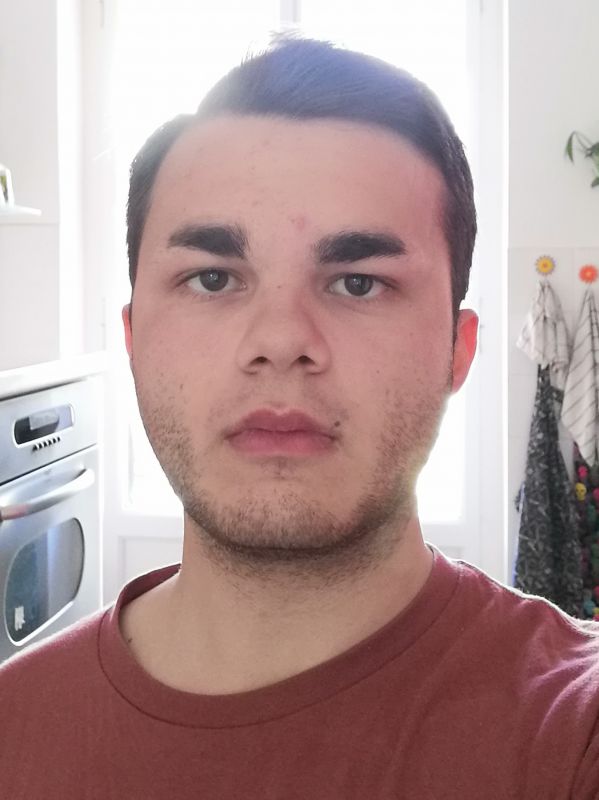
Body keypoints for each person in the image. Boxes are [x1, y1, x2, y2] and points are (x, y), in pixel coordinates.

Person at [1, 34, 598, 799]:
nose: (281, 341)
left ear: (457, 350)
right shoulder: (14, 727)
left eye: (358, 283)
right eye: (211, 278)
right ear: (133, 339)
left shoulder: (571, 735)